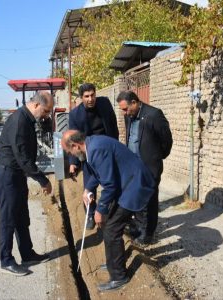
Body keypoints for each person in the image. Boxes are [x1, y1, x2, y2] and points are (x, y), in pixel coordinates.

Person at [61, 130, 155, 291]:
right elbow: (100, 173)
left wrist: (100, 210)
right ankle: (114, 262)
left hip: (134, 184)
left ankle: (119, 276)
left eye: (70, 152)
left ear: (76, 146)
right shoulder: (91, 145)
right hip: (125, 182)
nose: (73, 156)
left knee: (111, 228)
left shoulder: (96, 149)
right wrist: (88, 189)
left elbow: (110, 184)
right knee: (109, 225)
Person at [0, 92, 53, 276]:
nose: (46, 115)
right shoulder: (19, 121)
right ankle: (6, 261)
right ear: (36, 105)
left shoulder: (28, 119)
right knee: (9, 219)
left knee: (21, 217)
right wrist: (42, 179)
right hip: (7, 177)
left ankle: (27, 254)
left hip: (17, 176)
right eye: (45, 111)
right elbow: (23, 158)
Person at [116, 91, 173, 245]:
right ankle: (140, 227)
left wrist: (156, 157)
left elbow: (166, 140)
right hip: (133, 166)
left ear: (135, 102)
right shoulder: (128, 116)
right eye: (123, 110)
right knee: (136, 196)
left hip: (149, 166)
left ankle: (148, 234)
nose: (125, 112)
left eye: (126, 108)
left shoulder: (154, 115)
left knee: (149, 199)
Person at [68, 83, 119, 229]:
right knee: (89, 187)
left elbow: (113, 127)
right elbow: (73, 139)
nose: (90, 99)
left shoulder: (105, 103)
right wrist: (73, 162)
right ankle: (90, 214)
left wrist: (115, 147)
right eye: (87, 96)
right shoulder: (75, 115)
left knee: (112, 182)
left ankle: (114, 213)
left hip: (108, 151)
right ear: (81, 98)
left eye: (92, 95)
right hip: (89, 154)